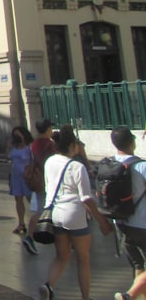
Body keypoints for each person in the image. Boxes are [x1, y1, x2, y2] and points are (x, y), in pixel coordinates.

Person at [38, 126, 112, 300]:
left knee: (62, 257)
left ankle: (48, 284)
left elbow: (49, 187)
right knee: (83, 258)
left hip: (55, 214)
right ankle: (85, 297)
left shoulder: (50, 161)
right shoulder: (77, 166)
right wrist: (101, 220)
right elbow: (86, 198)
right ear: (72, 145)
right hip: (75, 215)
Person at [110, 126, 146, 300]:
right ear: (132, 143)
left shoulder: (108, 165)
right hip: (142, 223)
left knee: (138, 265)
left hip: (121, 223)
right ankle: (130, 295)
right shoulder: (142, 166)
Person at [23, 119, 57, 255]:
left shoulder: (32, 144)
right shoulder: (51, 145)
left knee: (40, 208)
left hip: (37, 179)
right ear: (48, 129)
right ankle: (30, 237)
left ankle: (32, 236)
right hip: (47, 180)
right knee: (43, 210)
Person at [7, 126, 34, 234]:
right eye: (15, 134)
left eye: (19, 134)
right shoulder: (13, 146)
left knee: (31, 199)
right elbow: (8, 157)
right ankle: (21, 223)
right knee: (18, 200)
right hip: (15, 176)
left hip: (26, 176)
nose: (17, 136)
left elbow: (33, 160)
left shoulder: (29, 147)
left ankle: (37, 220)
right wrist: (8, 147)